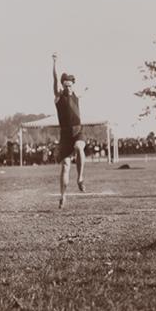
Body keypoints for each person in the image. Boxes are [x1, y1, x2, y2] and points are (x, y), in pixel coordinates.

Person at [52, 53, 88, 209]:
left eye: (70, 85)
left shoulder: (76, 95)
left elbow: (83, 90)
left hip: (78, 130)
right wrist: (54, 63)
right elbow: (54, 79)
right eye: (65, 85)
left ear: (73, 85)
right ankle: (63, 196)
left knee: (79, 147)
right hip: (65, 135)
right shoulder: (58, 97)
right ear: (62, 86)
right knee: (66, 165)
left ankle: (80, 178)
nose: (67, 88)